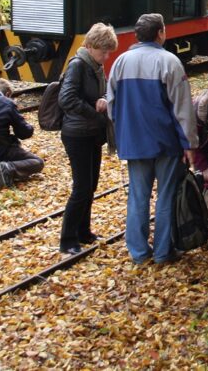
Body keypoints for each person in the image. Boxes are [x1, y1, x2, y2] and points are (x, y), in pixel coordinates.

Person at [107, 14, 197, 265]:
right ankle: (163, 251)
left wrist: (123, 134)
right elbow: (182, 109)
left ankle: (138, 251)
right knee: (166, 195)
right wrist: (189, 143)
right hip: (165, 141)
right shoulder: (169, 61)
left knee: (138, 195)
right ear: (160, 33)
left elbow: (112, 106)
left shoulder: (120, 62)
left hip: (134, 142)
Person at [58, 23, 117, 255]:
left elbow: (101, 91)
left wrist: (104, 98)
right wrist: (95, 113)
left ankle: (84, 231)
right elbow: (67, 99)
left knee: (90, 185)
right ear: (91, 46)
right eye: (104, 51)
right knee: (81, 187)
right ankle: (67, 238)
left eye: (109, 51)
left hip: (92, 133)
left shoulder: (95, 65)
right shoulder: (79, 65)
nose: (107, 56)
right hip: (77, 133)